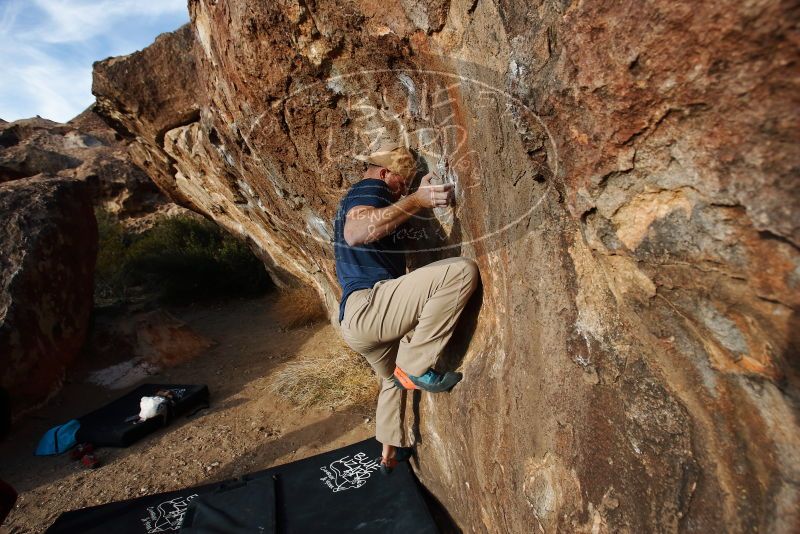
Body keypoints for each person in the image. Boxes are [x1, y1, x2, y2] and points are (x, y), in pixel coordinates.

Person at [334, 143, 479, 473]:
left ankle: (389, 448)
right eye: (402, 183)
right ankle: (415, 366)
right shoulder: (369, 188)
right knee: (460, 271)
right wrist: (418, 200)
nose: (404, 190)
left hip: (356, 324)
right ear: (385, 174)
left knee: (391, 380)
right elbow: (357, 232)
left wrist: (415, 199)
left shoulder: (364, 200)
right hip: (369, 307)